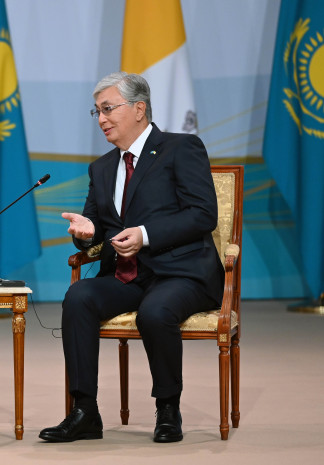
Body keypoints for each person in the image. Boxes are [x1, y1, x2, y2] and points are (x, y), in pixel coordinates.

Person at [39, 72, 223, 443]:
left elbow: (203, 215)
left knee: (155, 312)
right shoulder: (102, 167)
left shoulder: (181, 148)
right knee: (79, 296)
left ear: (139, 109)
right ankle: (84, 411)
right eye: (97, 111)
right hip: (128, 275)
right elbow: (95, 227)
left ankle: (167, 409)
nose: (101, 119)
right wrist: (86, 233)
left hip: (181, 273)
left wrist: (145, 235)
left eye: (108, 109)